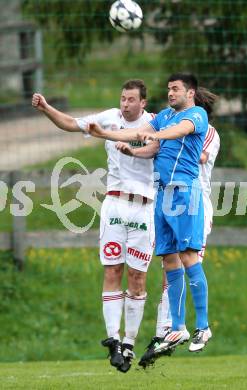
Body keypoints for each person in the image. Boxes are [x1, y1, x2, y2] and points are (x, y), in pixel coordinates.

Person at [31, 79, 158, 373]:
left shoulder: (154, 123)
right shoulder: (109, 118)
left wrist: (133, 150)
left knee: (137, 279)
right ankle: (113, 340)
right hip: (114, 203)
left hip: (143, 206)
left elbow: (154, 149)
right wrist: (47, 108)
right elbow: (71, 124)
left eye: (131, 99)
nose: (125, 103)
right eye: (122, 98)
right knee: (112, 269)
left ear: (143, 103)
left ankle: (129, 342)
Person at [87, 73, 212, 357]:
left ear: (189, 92)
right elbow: (143, 138)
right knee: (169, 260)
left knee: (189, 256)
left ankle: (203, 326)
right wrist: (108, 136)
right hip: (161, 194)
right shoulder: (165, 116)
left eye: (175, 89)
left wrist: (153, 134)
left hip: (184, 194)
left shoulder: (196, 114)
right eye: (168, 89)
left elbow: (178, 131)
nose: (170, 93)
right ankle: (178, 325)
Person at [115, 87, 220, 367]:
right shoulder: (174, 122)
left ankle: (181, 329)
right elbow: (158, 146)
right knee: (168, 264)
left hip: (194, 204)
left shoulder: (205, 130)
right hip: (170, 200)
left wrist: (163, 136)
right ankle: (172, 329)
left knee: (188, 261)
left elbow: (199, 156)